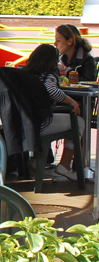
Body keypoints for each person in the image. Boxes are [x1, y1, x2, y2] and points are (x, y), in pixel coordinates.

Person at [23, 43, 84, 181]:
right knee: (79, 122)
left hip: (25, 122)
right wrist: (72, 102)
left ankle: (36, 160)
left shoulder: (27, 73)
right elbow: (51, 90)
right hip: (41, 123)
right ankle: (65, 164)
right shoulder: (48, 76)